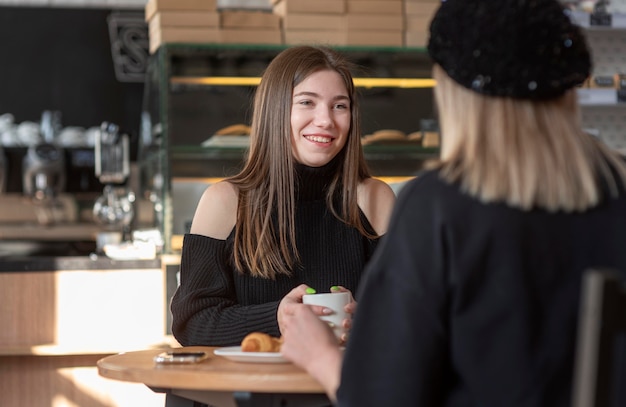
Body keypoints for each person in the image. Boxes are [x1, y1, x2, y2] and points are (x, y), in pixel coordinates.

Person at [280, 0, 626, 405]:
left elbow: (383, 398)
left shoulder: (440, 206)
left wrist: (320, 355)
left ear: (455, 92)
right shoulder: (618, 191)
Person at [170, 45, 396, 347]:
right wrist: (277, 319)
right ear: (275, 110)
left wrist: (367, 320)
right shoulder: (225, 201)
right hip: (249, 390)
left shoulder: (374, 199)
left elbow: (413, 316)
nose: (326, 120)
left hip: (342, 391)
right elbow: (191, 323)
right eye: (307, 102)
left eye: (339, 106)